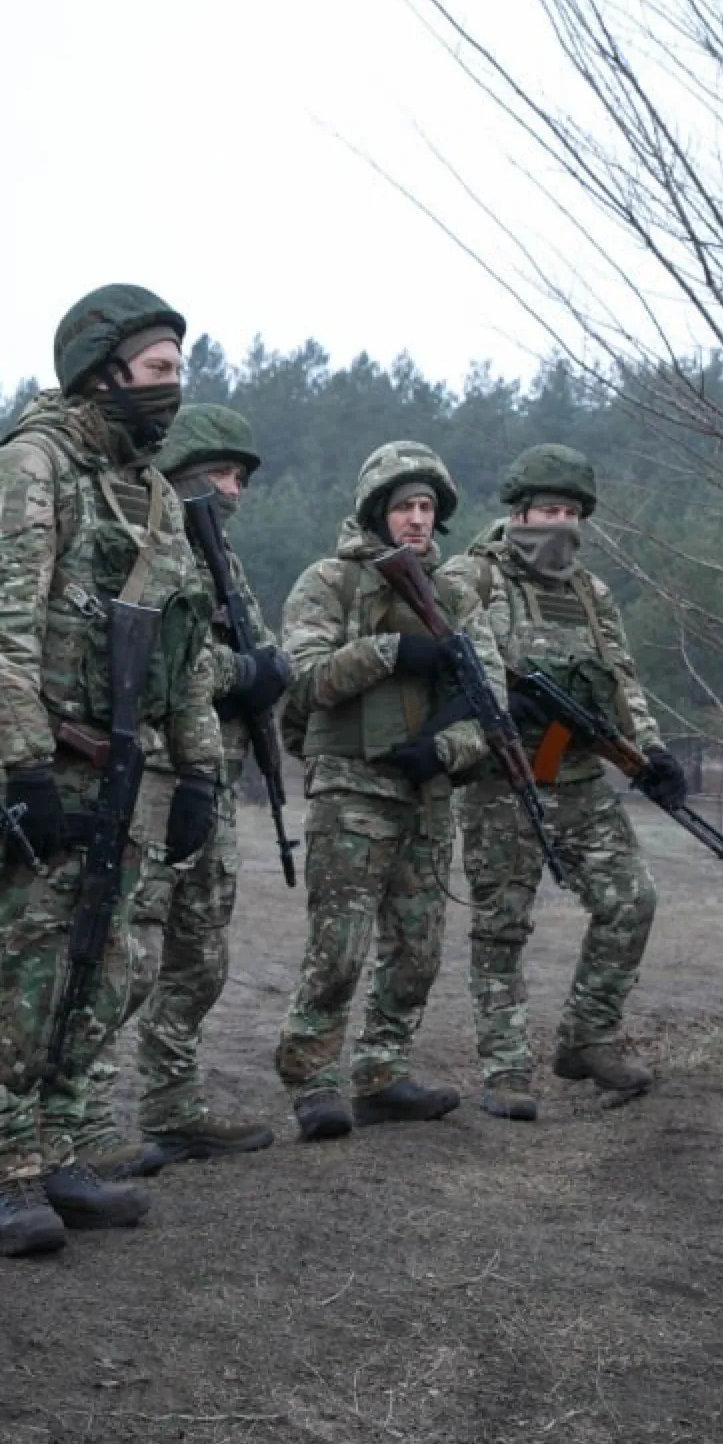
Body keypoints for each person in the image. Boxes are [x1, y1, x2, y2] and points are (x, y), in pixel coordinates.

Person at [0, 284, 222, 1257]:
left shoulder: (151, 497)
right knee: (27, 974)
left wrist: (203, 774)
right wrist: (24, 767)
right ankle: (3, 1171)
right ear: (101, 372)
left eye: (179, 370)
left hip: (128, 774)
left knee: (111, 968)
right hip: (48, 764)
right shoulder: (31, 467)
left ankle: (59, 1151)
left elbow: (185, 649)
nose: (172, 389)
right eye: (157, 370)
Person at [76, 404, 286, 1174]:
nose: (235, 488)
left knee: (201, 956)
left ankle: (172, 1104)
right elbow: (174, 657)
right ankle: (86, 1118)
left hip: (217, 772)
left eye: (242, 477)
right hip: (158, 772)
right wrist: (248, 673)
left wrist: (267, 671)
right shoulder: (153, 544)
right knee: (126, 950)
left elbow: (256, 647)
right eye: (223, 473)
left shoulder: (223, 556)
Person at [440, 445, 679, 1118]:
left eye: (574, 513)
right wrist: (493, 710)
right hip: (503, 777)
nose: (563, 524)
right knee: (502, 924)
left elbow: (622, 679)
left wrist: (650, 754)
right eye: (550, 510)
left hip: (575, 775)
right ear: (519, 512)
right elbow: (444, 669)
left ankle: (586, 1038)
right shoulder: (472, 579)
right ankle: (505, 1070)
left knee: (632, 898)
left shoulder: (588, 591)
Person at [271, 442, 502, 1139]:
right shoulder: (330, 584)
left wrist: (443, 748)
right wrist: (392, 651)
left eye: (428, 507)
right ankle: (312, 1078)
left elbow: (492, 705)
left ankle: (381, 1072)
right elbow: (304, 681)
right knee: (338, 948)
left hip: (427, 795)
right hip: (352, 789)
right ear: (378, 512)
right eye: (405, 506)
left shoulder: (457, 595)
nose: (418, 519)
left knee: (418, 951)